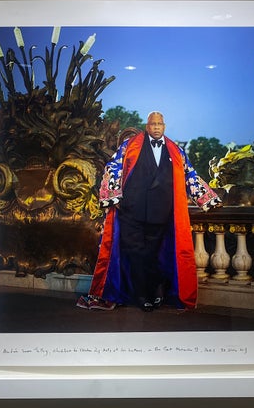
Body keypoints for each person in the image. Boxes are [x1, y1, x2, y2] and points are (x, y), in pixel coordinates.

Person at [77, 111, 222, 312]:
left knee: (153, 255)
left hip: (161, 212)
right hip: (131, 210)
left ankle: (154, 294)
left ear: (164, 126)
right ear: (147, 126)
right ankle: (142, 296)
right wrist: (113, 195)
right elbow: (114, 167)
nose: (155, 127)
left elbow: (190, 174)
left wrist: (208, 199)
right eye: (152, 124)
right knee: (136, 254)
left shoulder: (176, 151)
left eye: (159, 124)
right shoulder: (129, 145)